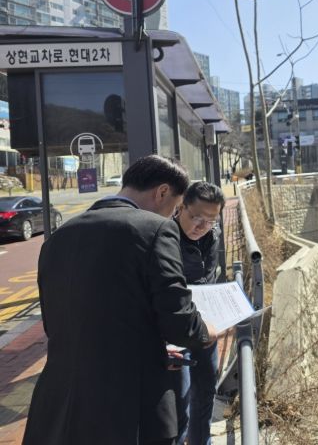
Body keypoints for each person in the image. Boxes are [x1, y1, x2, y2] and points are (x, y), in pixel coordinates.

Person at [23, 155, 217, 445]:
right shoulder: (155, 229)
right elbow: (180, 322)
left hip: (59, 408)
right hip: (127, 411)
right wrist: (206, 331)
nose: (171, 216)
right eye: (175, 208)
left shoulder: (58, 237)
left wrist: (153, 352)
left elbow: (62, 325)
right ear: (162, 192)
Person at [172, 181, 225, 445]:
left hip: (205, 324)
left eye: (211, 221)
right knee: (179, 402)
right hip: (176, 330)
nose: (202, 226)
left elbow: (209, 279)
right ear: (182, 207)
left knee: (205, 391)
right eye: (197, 218)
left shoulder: (212, 235)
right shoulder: (164, 238)